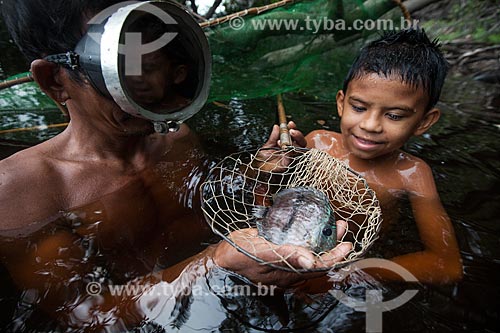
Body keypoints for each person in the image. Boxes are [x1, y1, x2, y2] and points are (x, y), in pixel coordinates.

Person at [0, 0, 350, 331]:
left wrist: (255, 176)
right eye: (123, 67)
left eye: (157, 59)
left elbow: (208, 213)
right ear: (55, 80)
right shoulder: (22, 191)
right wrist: (213, 263)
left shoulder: (176, 137)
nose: (158, 86)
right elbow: (88, 318)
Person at [304, 28, 463, 284]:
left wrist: (348, 275)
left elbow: (447, 264)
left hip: (347, 264)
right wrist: (264, 167)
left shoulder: (412, 174)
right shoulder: (316, 142)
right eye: (359, 107)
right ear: (341, 103)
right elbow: (266, 202)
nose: (370, 125)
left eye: (395, 116)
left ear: (424, 121)